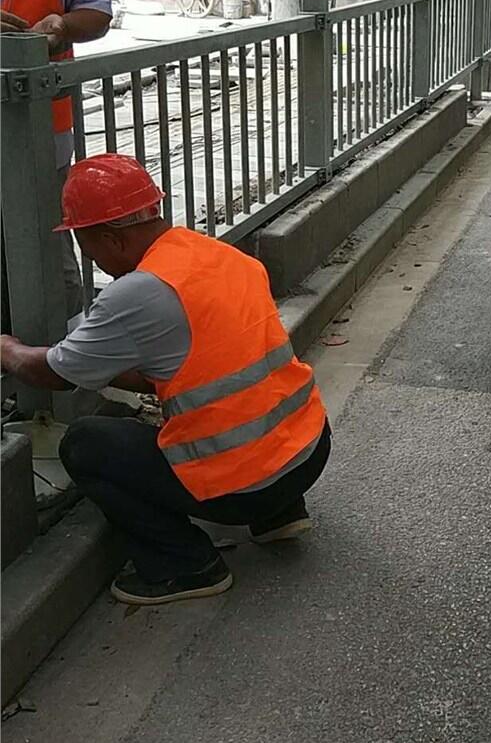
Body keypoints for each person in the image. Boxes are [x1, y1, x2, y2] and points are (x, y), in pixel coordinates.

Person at [0, 154, 331, 607]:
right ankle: (279, 516)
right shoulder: (216, 255)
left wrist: (8, 350)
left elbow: (53, 373)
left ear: (110, 238)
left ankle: (185, 565)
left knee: (84, 444)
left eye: (86, 245)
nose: (90, 258)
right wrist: (105, 364)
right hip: (309, 451)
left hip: (243, 486)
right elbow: (208, 367)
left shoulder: (136, 292)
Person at [1, 0, 112, 318]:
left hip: (42, 125)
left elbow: (97, 11)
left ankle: (59, 360)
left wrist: (61, 26)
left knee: (45, 239)